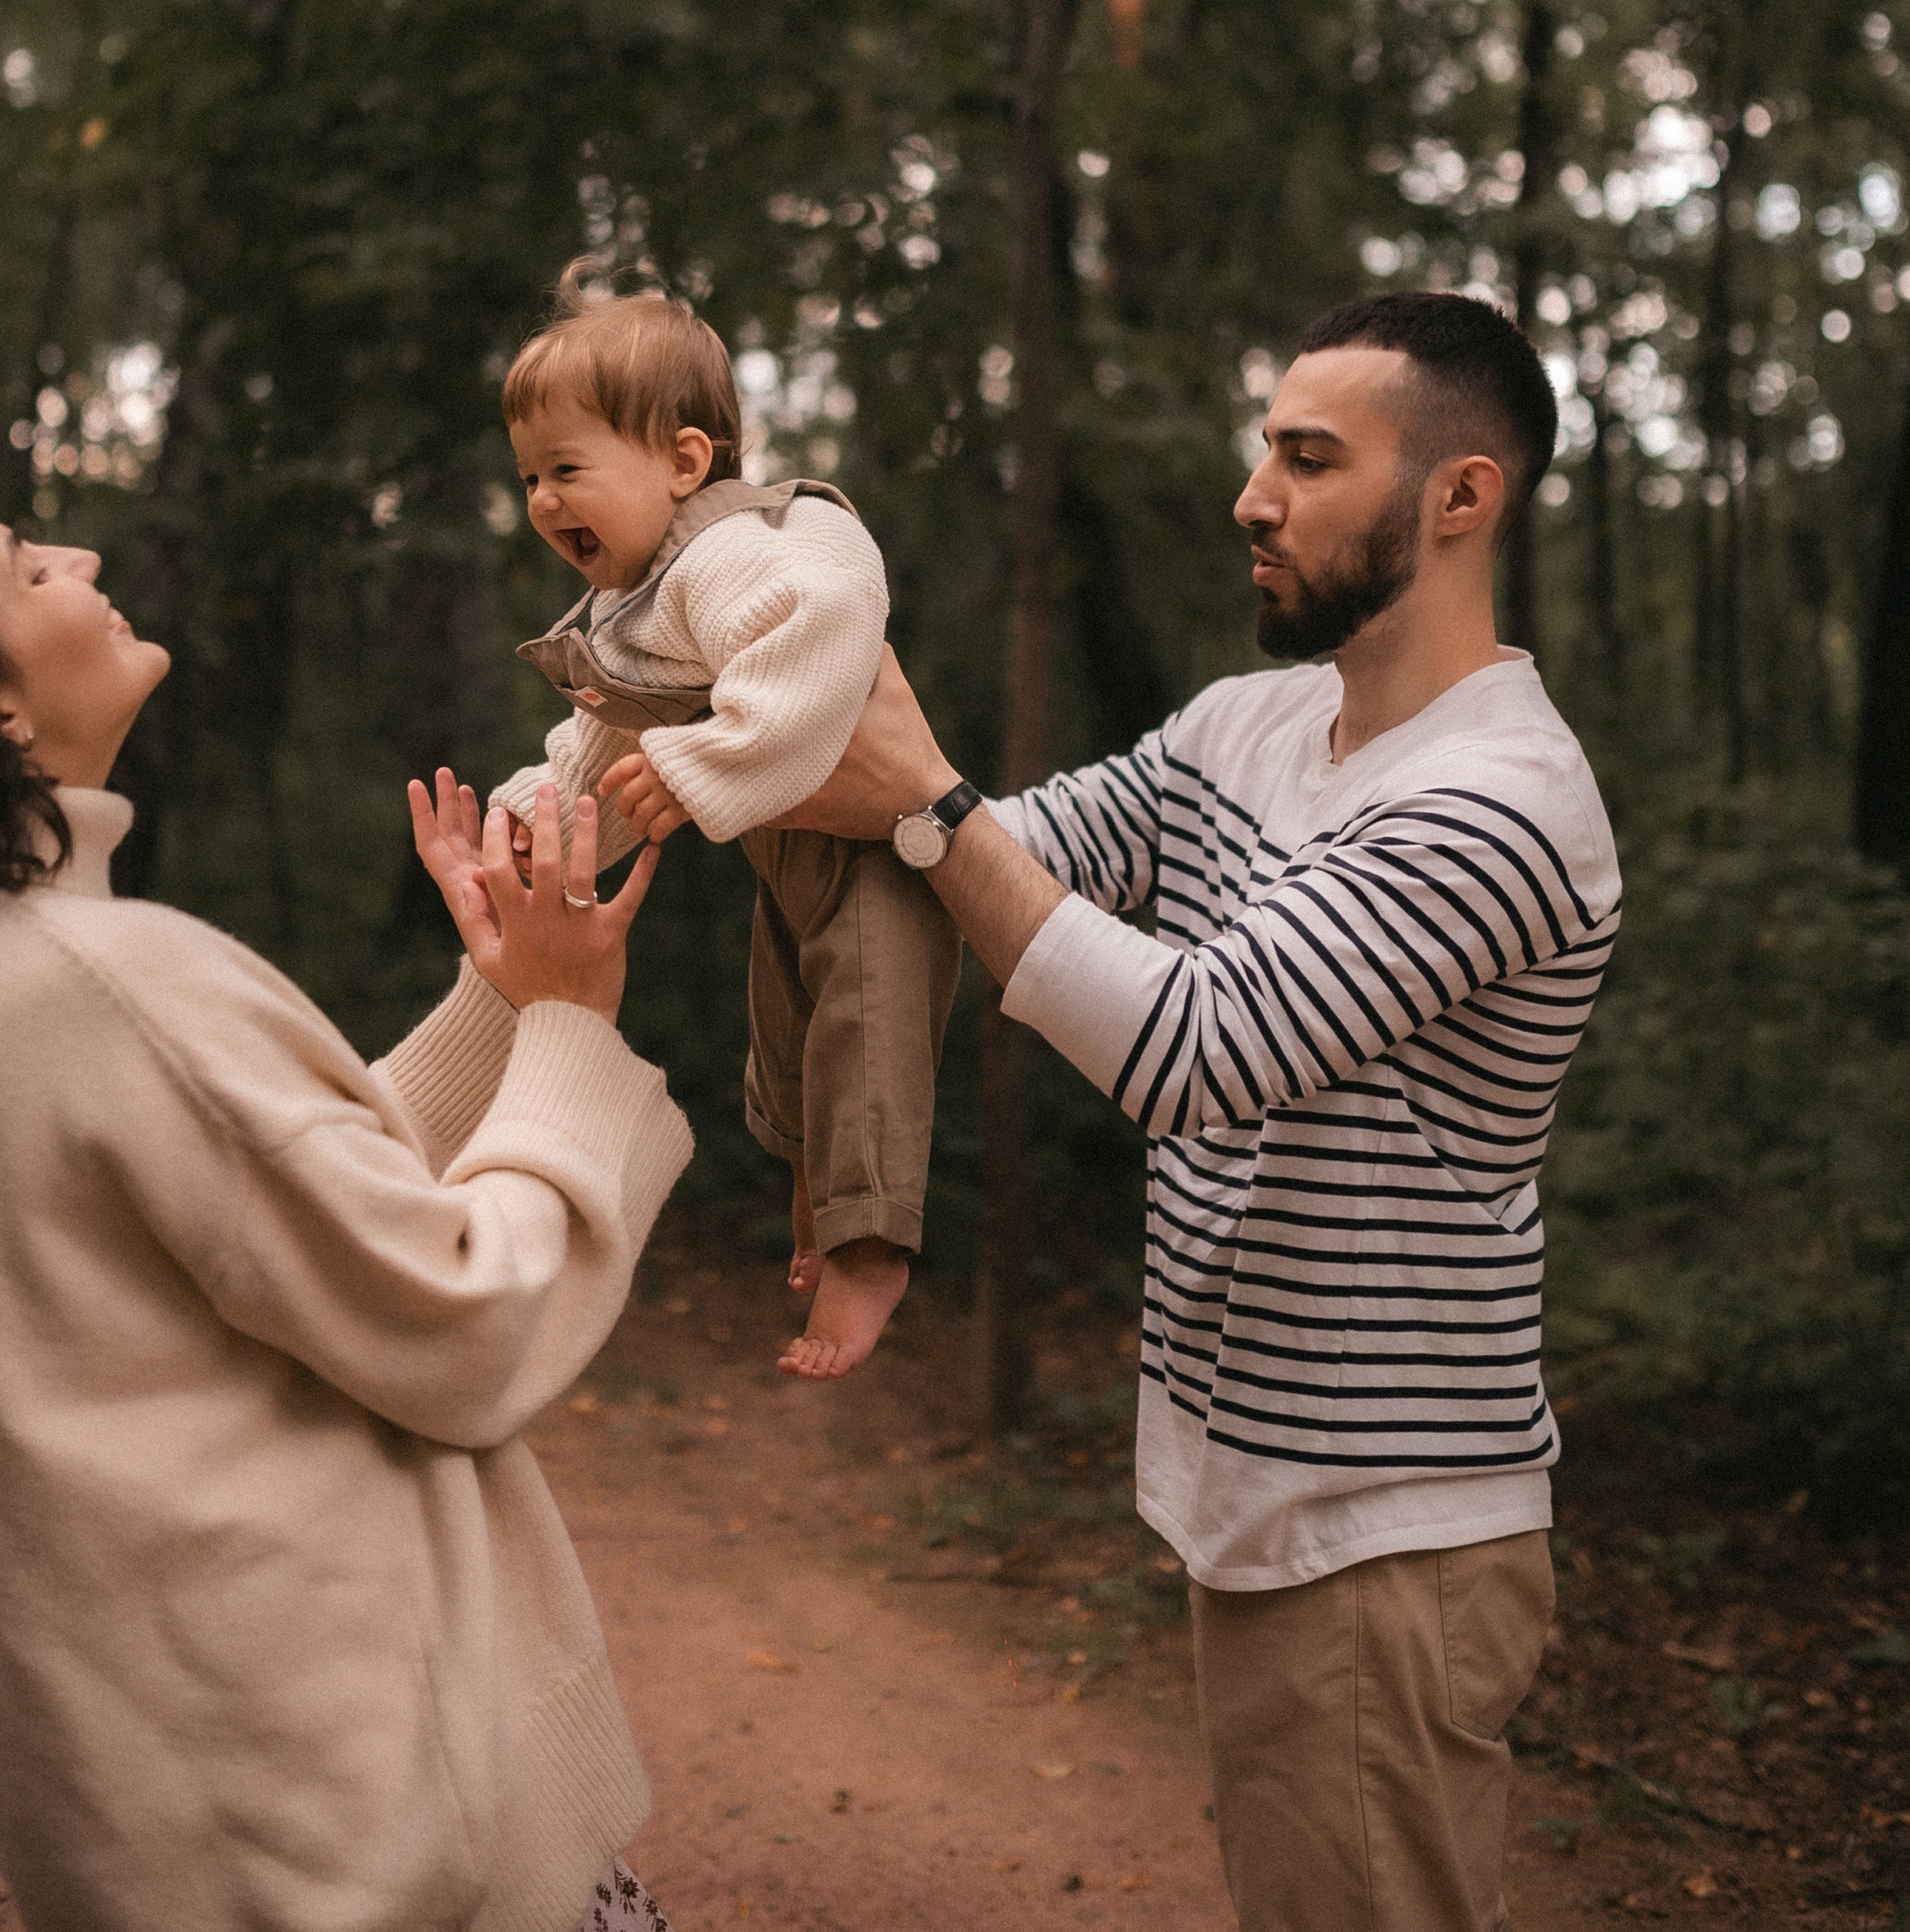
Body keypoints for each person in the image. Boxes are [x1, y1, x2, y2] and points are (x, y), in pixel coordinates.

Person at [619, 289, 1623, 1932]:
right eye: (1264, 450)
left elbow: (1195, 1044)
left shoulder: (1499, 799)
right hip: (1265, 1490)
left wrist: (923, 799)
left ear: (1460, 497)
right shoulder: (1248, 723)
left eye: (1309, 459)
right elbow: (1001, 855)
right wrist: (764, 691)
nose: (1253, 495)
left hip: (1379, 1531)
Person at [0, 482, 689, 1932]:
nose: (80, 553)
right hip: (383, 1851)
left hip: (194, 1846)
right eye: (27, 567)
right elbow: (469, 1316)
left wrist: (501, 999)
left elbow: (279, 1200)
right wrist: (568, 1025)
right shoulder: (102, 981)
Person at [489, 262, 961, 1377]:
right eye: (529, 477)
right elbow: (600, 745)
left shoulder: (733, 553)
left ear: (684, 462)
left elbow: (828, 613)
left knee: (866, 1026)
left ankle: (873, 1248)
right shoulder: (635, 602)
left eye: (567, 469)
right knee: (786, 1034)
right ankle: (815, 1196)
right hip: (792, 843)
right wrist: (541, 824)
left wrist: (708, 759)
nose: (544, 500)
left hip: (878, 852)